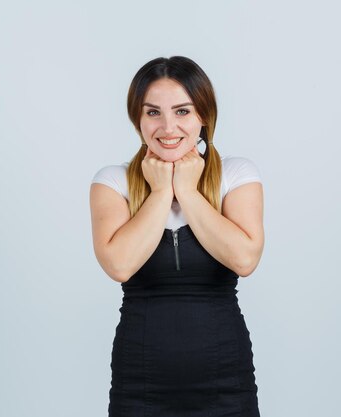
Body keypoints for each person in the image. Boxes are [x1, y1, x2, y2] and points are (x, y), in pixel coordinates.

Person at [89, 56, 264, 416]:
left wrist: (187, 191)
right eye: (153, 112)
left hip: (225, 383)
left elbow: (245, 259)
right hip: (140, 385)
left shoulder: (237, 175)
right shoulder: (112, 182)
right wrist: (158, 192)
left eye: (182, 111)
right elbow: (120, 265)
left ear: (204, 116)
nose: (167, 127)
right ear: (137, 118)